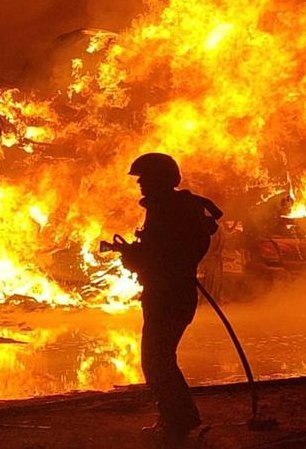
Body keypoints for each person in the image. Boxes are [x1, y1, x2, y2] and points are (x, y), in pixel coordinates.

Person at [117, 153, 222, 440]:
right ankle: (177, 418)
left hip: (168, 295)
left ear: (160, 179)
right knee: (160, 358)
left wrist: (133, 258)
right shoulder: (176, 208)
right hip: (171, 292)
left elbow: (164, 255)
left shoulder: (168, 211)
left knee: (156, 360)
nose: (139, 183)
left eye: (144, 178)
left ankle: (177, 422)